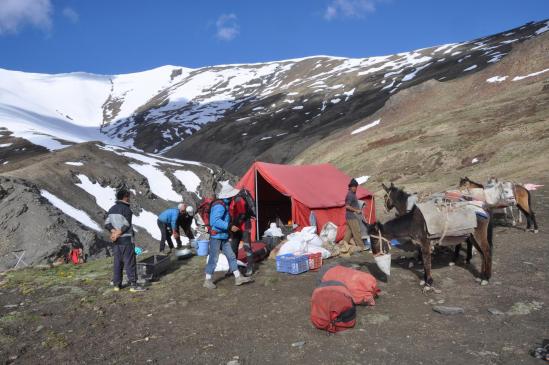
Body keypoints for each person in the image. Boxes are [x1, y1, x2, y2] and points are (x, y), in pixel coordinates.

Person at [203, 183, 254, 289]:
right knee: (214, 258)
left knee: (231, 256)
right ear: (228, 196)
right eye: (232, 196)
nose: (234, 197)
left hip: (223, 236)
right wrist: (229, 226)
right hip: (216, 237)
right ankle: (207, 280)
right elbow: (215, 221)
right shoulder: (219, 206)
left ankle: (238, 277)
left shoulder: (224, 204)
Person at [105, 189, 145, 292]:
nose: (130, 199)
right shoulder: (126, 209)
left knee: (118, 262)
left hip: (116, 241)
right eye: (129, 197)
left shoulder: (111, 209)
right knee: (129, 262)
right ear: (125, 197)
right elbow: (127, 225)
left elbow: (107, 224)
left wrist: (113, 232)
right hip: (126, 240)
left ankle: (117, 285)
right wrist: (118, 233)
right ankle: (133, 285)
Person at [229, 191, 254, 276]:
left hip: (244, 227)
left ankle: (250, 268)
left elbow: (242, 214)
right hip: (237, 228)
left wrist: (234, 225)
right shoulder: (233, 200)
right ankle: (233, 269)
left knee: (247, 248)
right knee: (233, 248)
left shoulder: (238, 199)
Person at [343, 178, 368, 251]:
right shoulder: (350, 195)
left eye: (356, 186)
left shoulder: (353, 194)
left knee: (348, 233)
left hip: (349, 217)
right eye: (353, 187)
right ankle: (362, 247)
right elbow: (347, 206)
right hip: (352, 216)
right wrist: (356, 210)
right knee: (356, 232)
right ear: (350, 187)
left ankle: (343, 245)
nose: (355, 188)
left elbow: (353, 203)